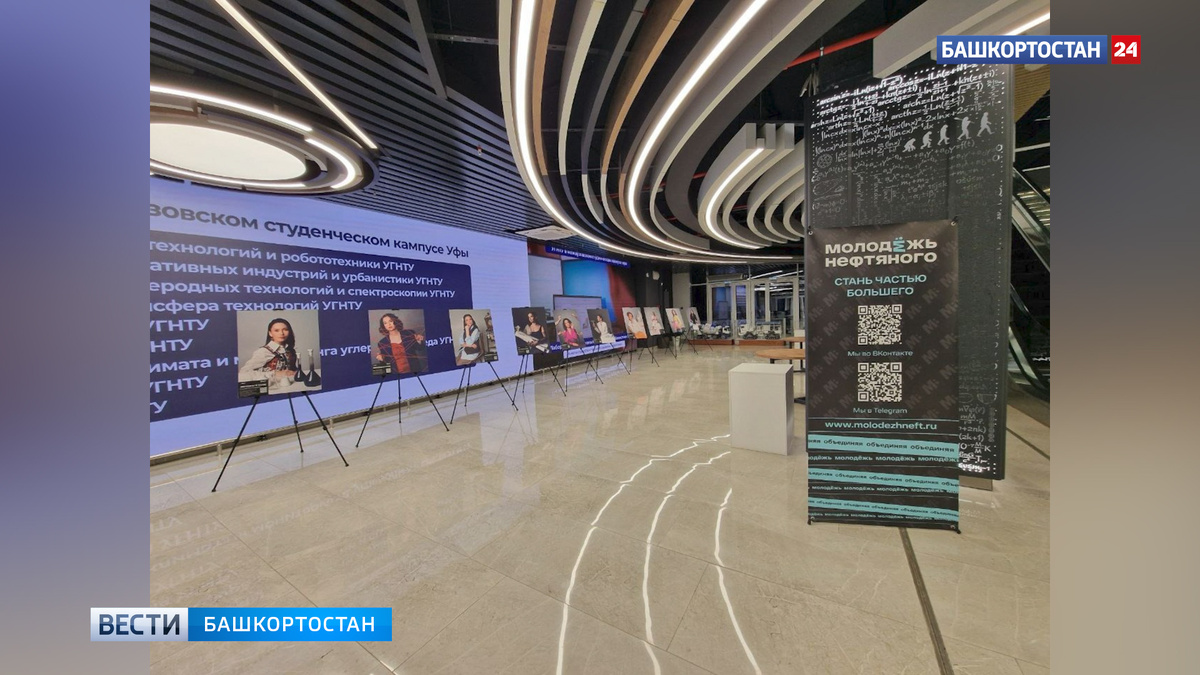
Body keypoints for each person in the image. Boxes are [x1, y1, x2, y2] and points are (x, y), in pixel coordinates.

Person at [239, 317, 299, 387]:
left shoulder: (289, 350)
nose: (281, 333)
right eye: (276, 330)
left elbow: (292, 370)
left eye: (285, 329)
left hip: (290, 386)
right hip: (271, 387)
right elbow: (242, 374)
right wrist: (275, 374)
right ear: (270, 333)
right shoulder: (264, 352)